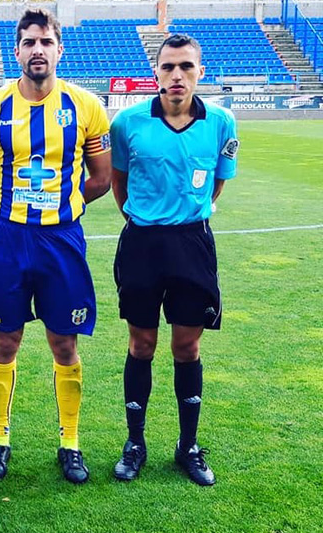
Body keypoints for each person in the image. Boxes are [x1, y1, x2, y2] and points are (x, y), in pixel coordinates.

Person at [0, 8, 112, 484]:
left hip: (62, 239)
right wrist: (18, 205)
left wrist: (62, 204)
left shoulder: (87, 106)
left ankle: (69, 443)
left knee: (64, 341)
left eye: (46, 41)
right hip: (9, 238)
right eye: (29, 42)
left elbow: (102, 178)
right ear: (17, 50)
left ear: (59, 48)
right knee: (5, 339)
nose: (38, 49)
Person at [110, 34, 238, 487]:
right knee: (141, 345)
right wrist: (143, 220)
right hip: (142, 244)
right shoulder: (127, 123)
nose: (176, 75)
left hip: (192, 245)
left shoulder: (222, 122)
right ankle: (135, 444)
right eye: (168, 67)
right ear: (156, 73)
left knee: (187, 347)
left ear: (199, 71)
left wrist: (186, 215)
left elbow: (217, 185)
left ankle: (188, 446)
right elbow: (119, 184)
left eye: (185, 66)